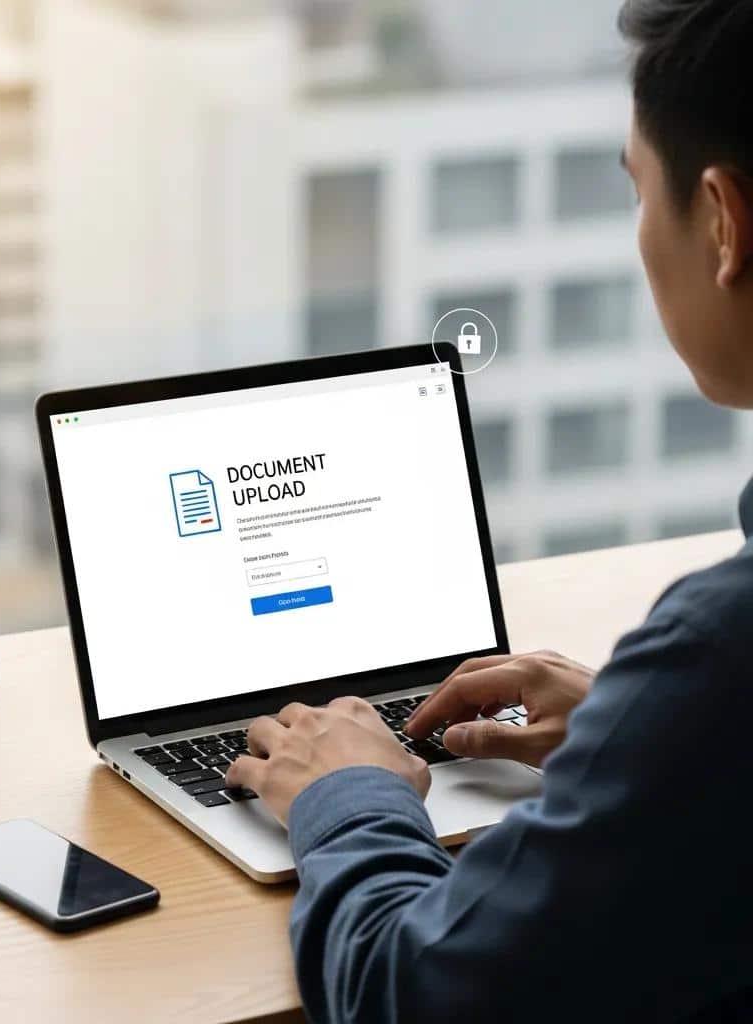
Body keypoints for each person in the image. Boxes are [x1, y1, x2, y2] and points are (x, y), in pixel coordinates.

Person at [224, 2, 753, 1020]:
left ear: (724, 222)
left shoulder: (721, 655)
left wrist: (347, 792)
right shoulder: (711, 685)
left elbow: (406, 992)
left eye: (639, 190)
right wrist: (635, 737)